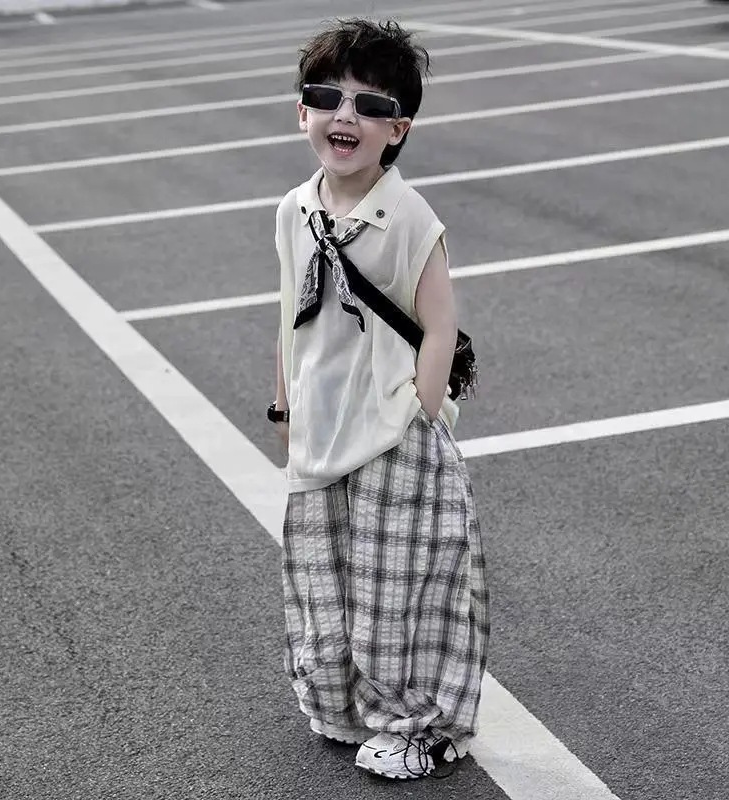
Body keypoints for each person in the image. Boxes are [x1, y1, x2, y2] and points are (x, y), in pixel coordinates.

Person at [268, 17, 490, 781]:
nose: (346, 116)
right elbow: (289, 316)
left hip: (393, 434)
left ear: (398, 130)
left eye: (370, 105)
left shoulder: (411, 217)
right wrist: (284, 405)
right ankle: (345, 704)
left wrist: (419, 410)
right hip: (322, 431)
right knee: (324, 577)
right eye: (328, 97)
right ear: (302, 111)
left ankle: (424, 727)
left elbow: (439, 324)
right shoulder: (294, 209)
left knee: (398, 588)